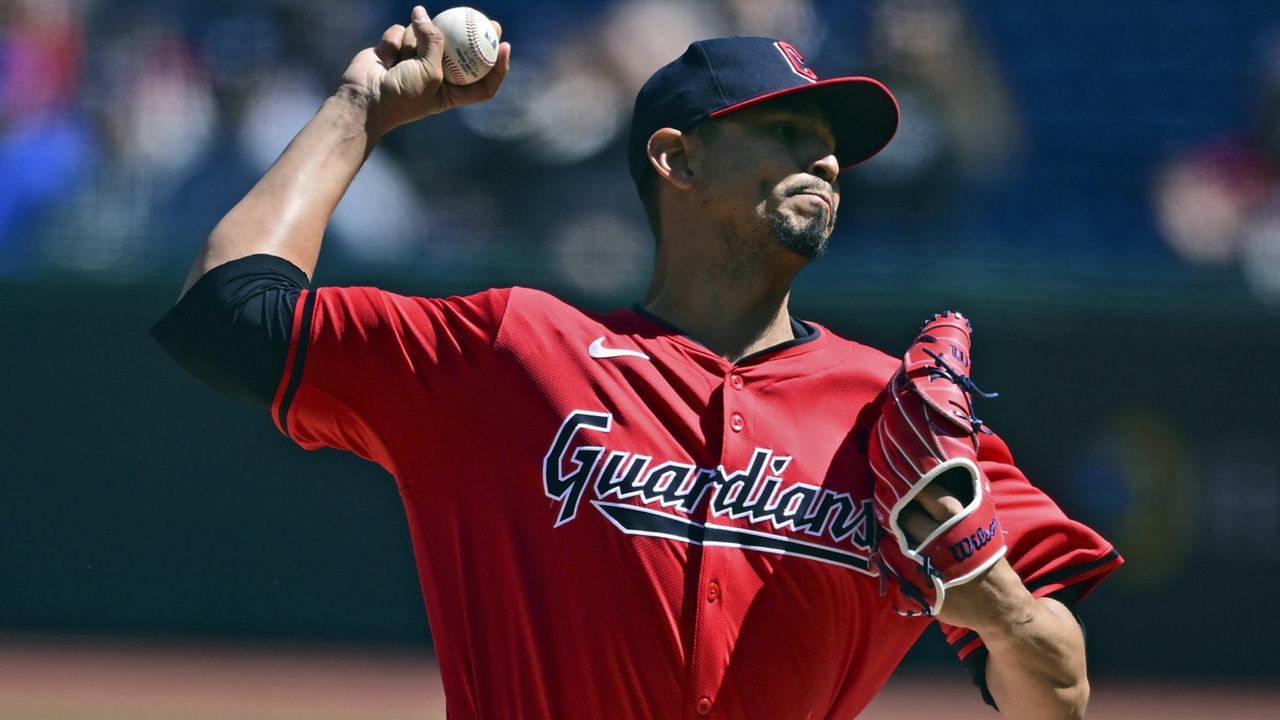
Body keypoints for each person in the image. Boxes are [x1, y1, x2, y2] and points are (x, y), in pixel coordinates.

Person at [152, 6, 1121, 718]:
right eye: (786, 132)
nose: (824, 162)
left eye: (831, 146)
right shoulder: (513, 356)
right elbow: (225, 316)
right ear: (677, 159)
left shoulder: (890, 416)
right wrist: (359, 110)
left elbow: (1060, 697)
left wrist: (986, 593)